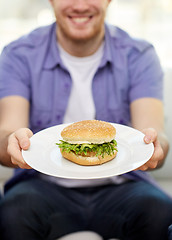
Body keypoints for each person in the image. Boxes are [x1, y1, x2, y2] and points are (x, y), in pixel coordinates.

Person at [0, 0, 172, 239]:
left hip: (122, 188)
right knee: (12, 211)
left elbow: (155, 134)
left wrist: (155, 145)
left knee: (159, 210)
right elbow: (7, 131)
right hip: (42, 189)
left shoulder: (139, 54)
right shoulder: (18, 54)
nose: (80, 5)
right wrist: (12, 141)